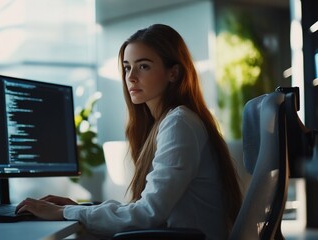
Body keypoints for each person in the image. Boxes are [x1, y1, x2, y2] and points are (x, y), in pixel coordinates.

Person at [16, 24, 242, 239]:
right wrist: (77, 208)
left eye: (143, 66)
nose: (131, 77)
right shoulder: (168, 122)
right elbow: (145, 208)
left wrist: (65, 213)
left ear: (173, 73)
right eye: (127, 67)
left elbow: (147, 214)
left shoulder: (179, 123)